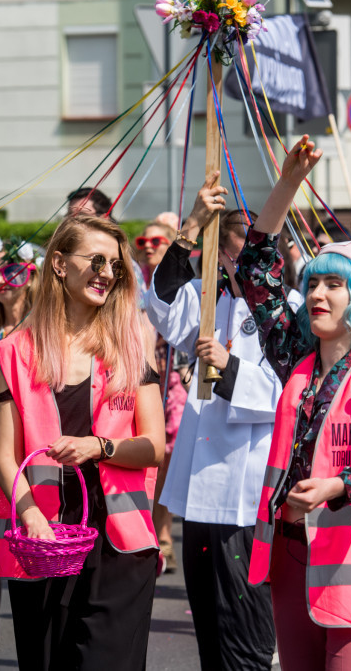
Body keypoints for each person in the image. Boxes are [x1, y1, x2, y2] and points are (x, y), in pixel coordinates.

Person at [237, 136, 351, 671]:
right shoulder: (295, 355)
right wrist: (289, 180)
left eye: (334, 285)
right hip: (291, 551)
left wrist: (335, 486)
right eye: (313, 283)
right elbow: (255, 269)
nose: (317, 294)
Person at [0, 214, 165, 670]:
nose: (108, 272)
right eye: (97, 260)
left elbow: (154, 446)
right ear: (60, 265)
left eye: (116, 266)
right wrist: (29, 514)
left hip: (120, 546)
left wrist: (100, 447)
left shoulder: (131, 345)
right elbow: (6, 456)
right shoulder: (12, 350)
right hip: (44, 543)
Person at [146, 193, 291, 669]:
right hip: (202, 485)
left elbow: (285, 393)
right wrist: (190, 227)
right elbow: (162, 306)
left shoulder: (287, 310)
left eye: (246, 257)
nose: (237, 267)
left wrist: (228, 368)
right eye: (229, 256)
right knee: (208, 623)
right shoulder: (208, 298)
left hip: (246, 491)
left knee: (243, 628)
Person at [136, 219, 189, 575]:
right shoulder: (134, 281)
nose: (150, 245)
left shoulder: (184, 284)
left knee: (168, 456)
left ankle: (164, 532)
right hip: (141, 377)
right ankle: (149, 533)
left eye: (158, 240)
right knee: (146, 456)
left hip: (172, 378)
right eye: (144, 240)